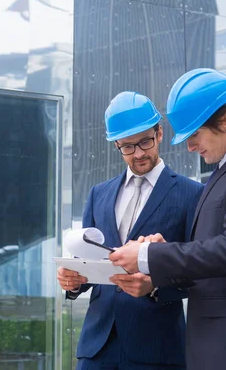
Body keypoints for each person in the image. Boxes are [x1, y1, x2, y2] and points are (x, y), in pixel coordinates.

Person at [109, 69, 226, 370]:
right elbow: (211, 259)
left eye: (195, 133)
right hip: (218, 346)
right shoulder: (224, 173)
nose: (190, 147)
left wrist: (148, 254)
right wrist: (159, 266)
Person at [57, 91, 203, 370]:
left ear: (159, 133)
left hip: (156, 349)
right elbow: (91, 261)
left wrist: (155, 285)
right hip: (97, 346)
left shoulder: (192, 194)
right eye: (127, 146)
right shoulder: (98, 194)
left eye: (145, 142)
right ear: (117, 146)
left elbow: (200, 267)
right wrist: (74, 280)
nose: (138, 153)